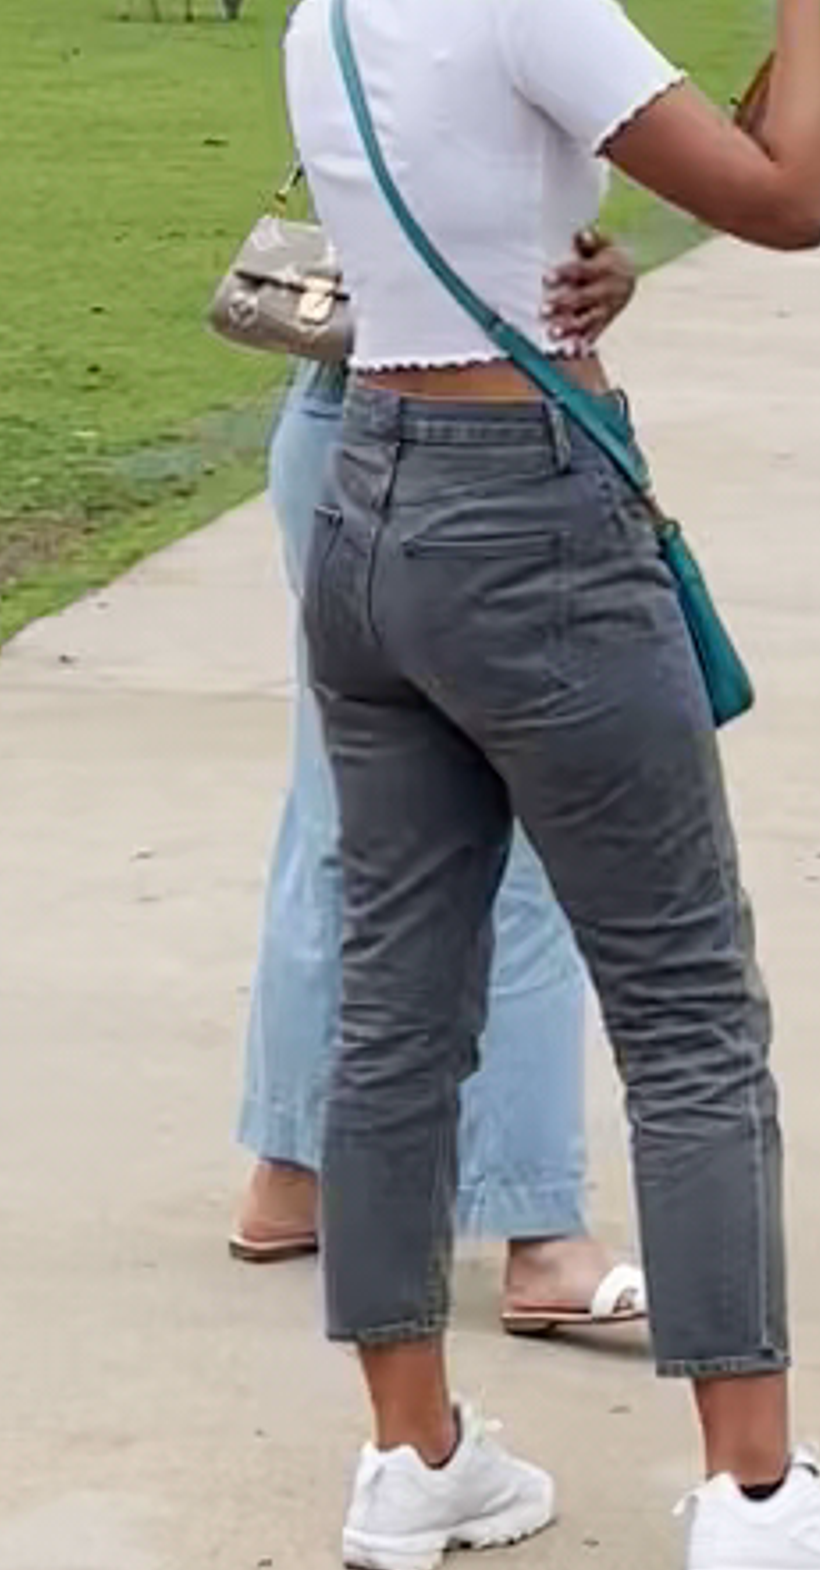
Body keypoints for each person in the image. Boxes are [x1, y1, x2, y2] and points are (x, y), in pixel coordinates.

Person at [282, 0, 820, 1570]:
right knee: (687, 1004)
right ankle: (753, 1488)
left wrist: (586, 276)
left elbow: (467, 248)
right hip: (534, 533)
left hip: (373, 503)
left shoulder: (331, 20)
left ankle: (413, 1452)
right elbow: (790, 198)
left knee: (399, 1002)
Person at [235, 340, 645, 1351]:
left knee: (338, 806)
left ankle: (295, 1163)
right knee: (520, 837)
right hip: (478, 435)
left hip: (336, 416)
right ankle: (537, 1223)